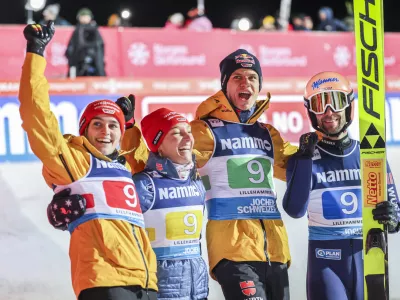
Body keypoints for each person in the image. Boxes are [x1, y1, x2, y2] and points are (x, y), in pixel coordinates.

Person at [20, 21, 157, 299]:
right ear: (84, 130)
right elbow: (37, 116)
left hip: (146, 280)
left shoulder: (125, 166)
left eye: (112, 125)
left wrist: (131, 127)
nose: (105, 132)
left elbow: (150, 169)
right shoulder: (75, 162)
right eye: (97, 124)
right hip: (103, 280)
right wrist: (36, 53)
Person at [190, 49, 298, 300]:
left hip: (275, 251)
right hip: (233, 251)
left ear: (259, 85)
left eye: (252, 77)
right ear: (225, 85)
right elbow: (166, 154)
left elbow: (298, 164)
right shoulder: (205, 130)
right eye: (237, 77)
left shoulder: (267, 133)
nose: (245, 83)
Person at [282, 71, 400, 300]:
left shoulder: (371, 155)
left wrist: (393, 216)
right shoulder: (304, 157)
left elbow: (396, 221)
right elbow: (295, 210)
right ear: (310, 111)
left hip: (368, 258)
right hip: (326, 266)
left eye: (335, 102)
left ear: (348, 106)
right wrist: (304, 160)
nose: (328, 112)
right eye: (319, 104)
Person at [132, 108, 209, 299]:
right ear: (158, 146)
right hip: (159, 288)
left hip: (197, 287)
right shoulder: (143, 184)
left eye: (188, 131)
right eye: (176, 132)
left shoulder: (199, 180)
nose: (187, 138)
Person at [65, 8, 106, 77]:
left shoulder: (95, 30)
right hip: (79, 62)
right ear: (79, 18)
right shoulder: (77, 31)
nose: (84, 18)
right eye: (82, 16)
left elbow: (100, 46)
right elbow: (71, 47)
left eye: (86, 16)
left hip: (94, 62)